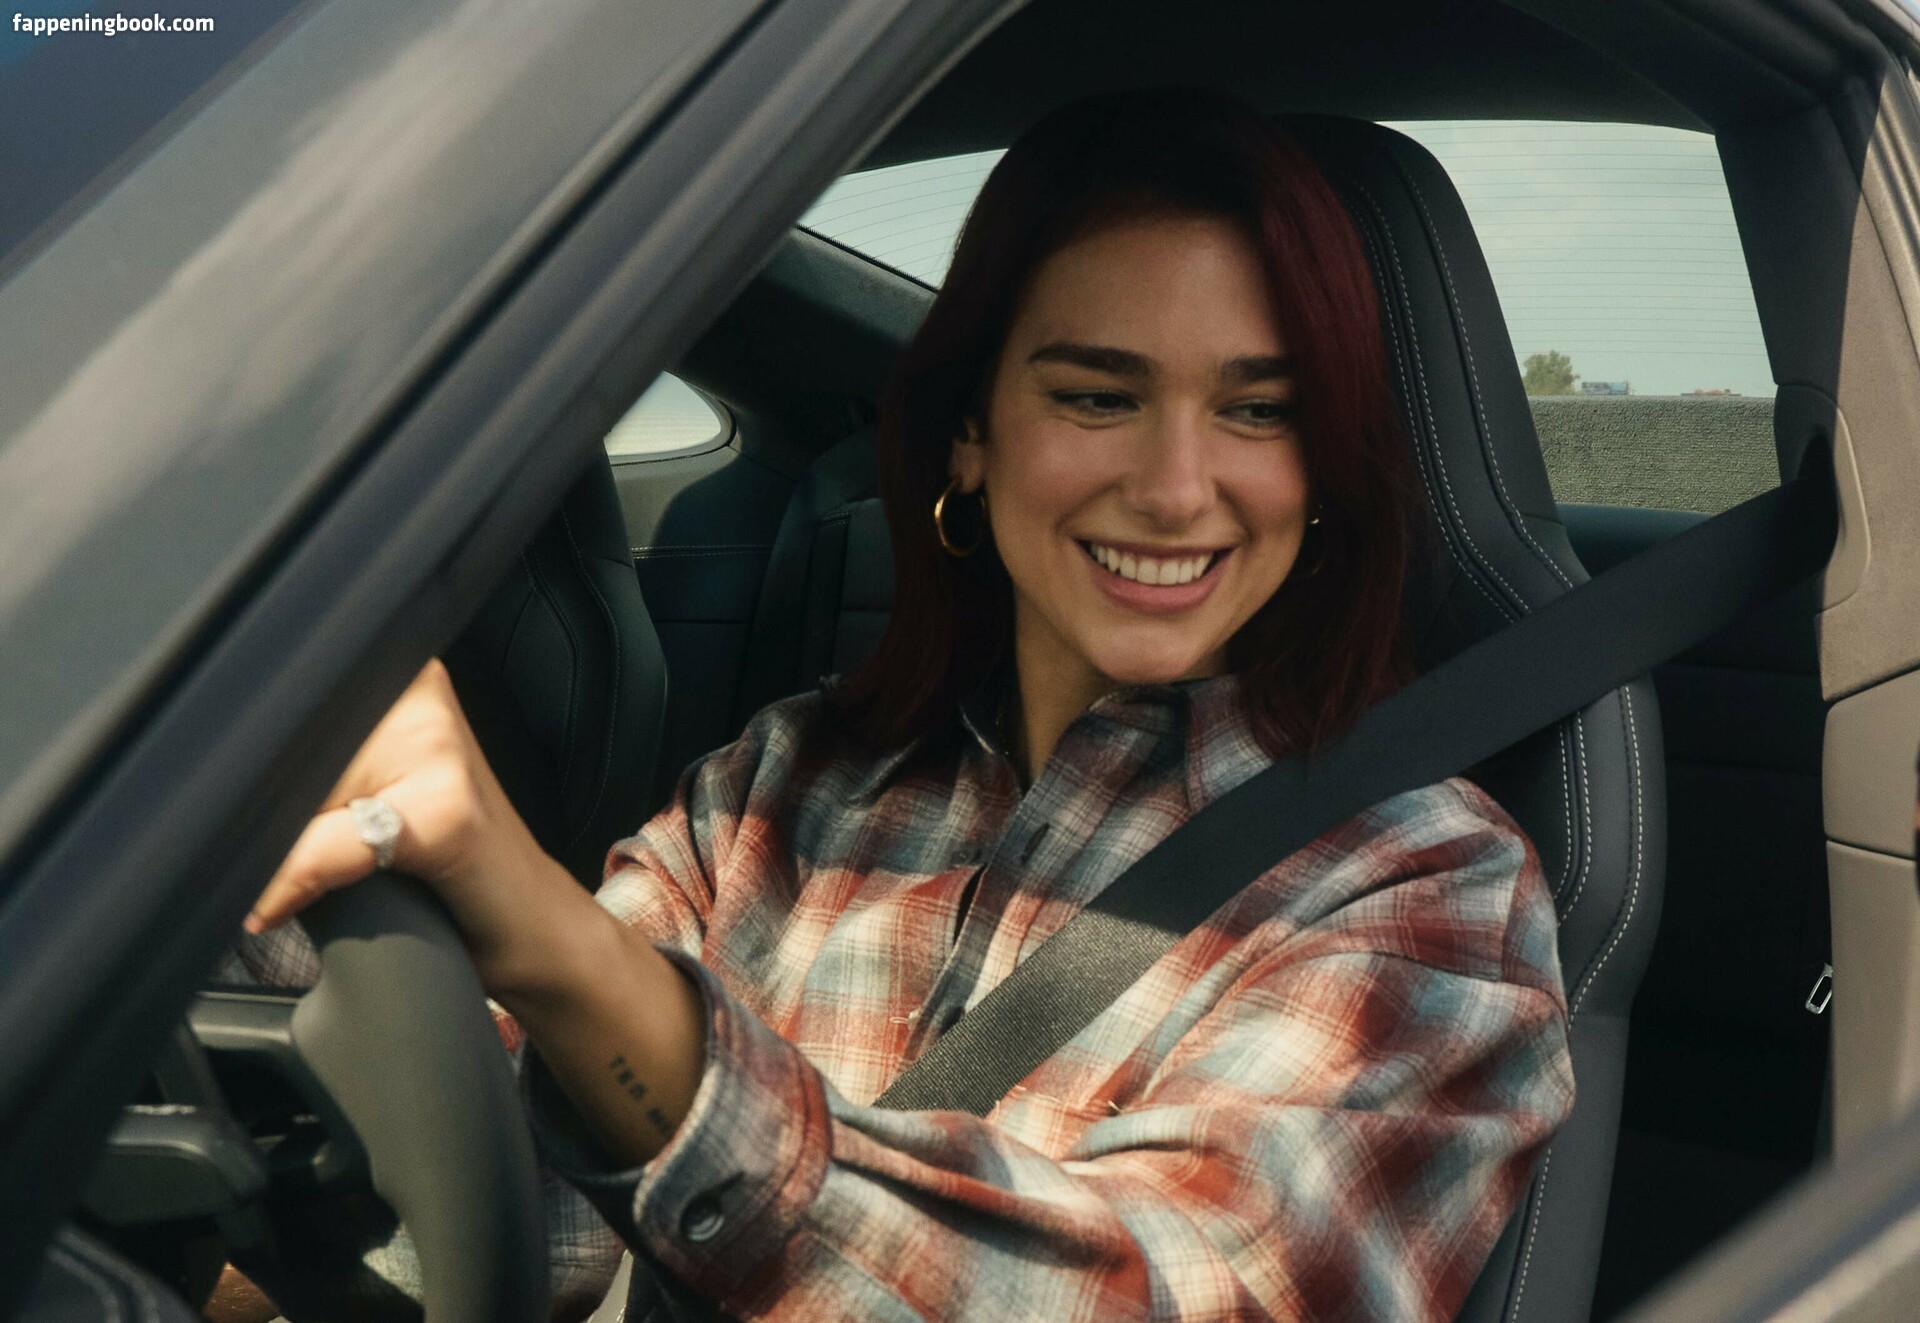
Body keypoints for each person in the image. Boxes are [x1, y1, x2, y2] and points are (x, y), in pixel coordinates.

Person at [232, 89, 1575, 1321]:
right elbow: (511, 1210)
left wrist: (561, 949)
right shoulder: (782, 790)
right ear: (970, 436)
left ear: (1327, 465)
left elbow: (1172, 1296)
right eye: (1097, 395)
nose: (1177, 488)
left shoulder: (1423, 884)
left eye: (1260, 412)